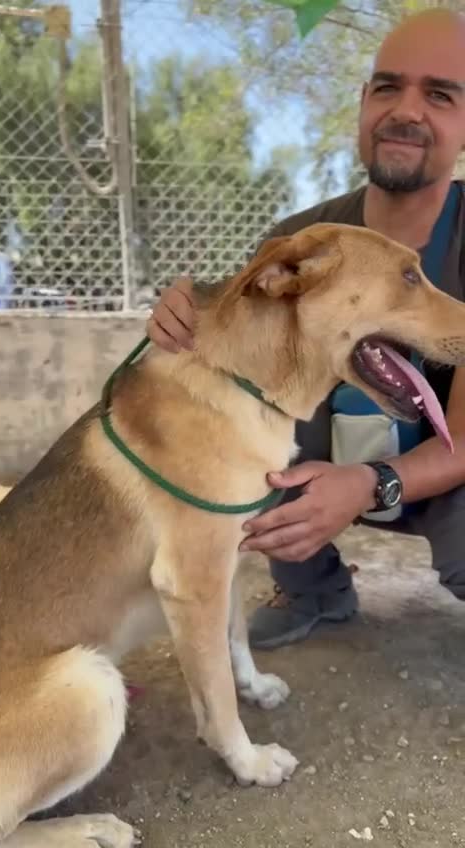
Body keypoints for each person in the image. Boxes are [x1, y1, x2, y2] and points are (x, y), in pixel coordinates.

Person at [147, 8, 465, 650]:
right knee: (231, 444)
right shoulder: (302, 239)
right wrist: (189, 319)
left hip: (440, 480)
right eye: (387, 86)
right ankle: (312, 586)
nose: (407, 109)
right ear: (362, 103)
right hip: (311, 463)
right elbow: (229, 358)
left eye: (440, 94)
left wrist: (371, 483)